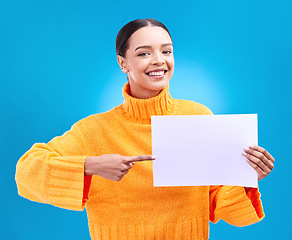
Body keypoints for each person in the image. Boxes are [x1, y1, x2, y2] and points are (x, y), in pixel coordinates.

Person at [15, 19, 275, 240]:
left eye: (167, 51)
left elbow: (216, 200)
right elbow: (26, 172)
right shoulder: (94, 130)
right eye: (143, 53)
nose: (159, 61)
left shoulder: (197, 115)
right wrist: (91, 165)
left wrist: (247, 177)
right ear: (123, 63)